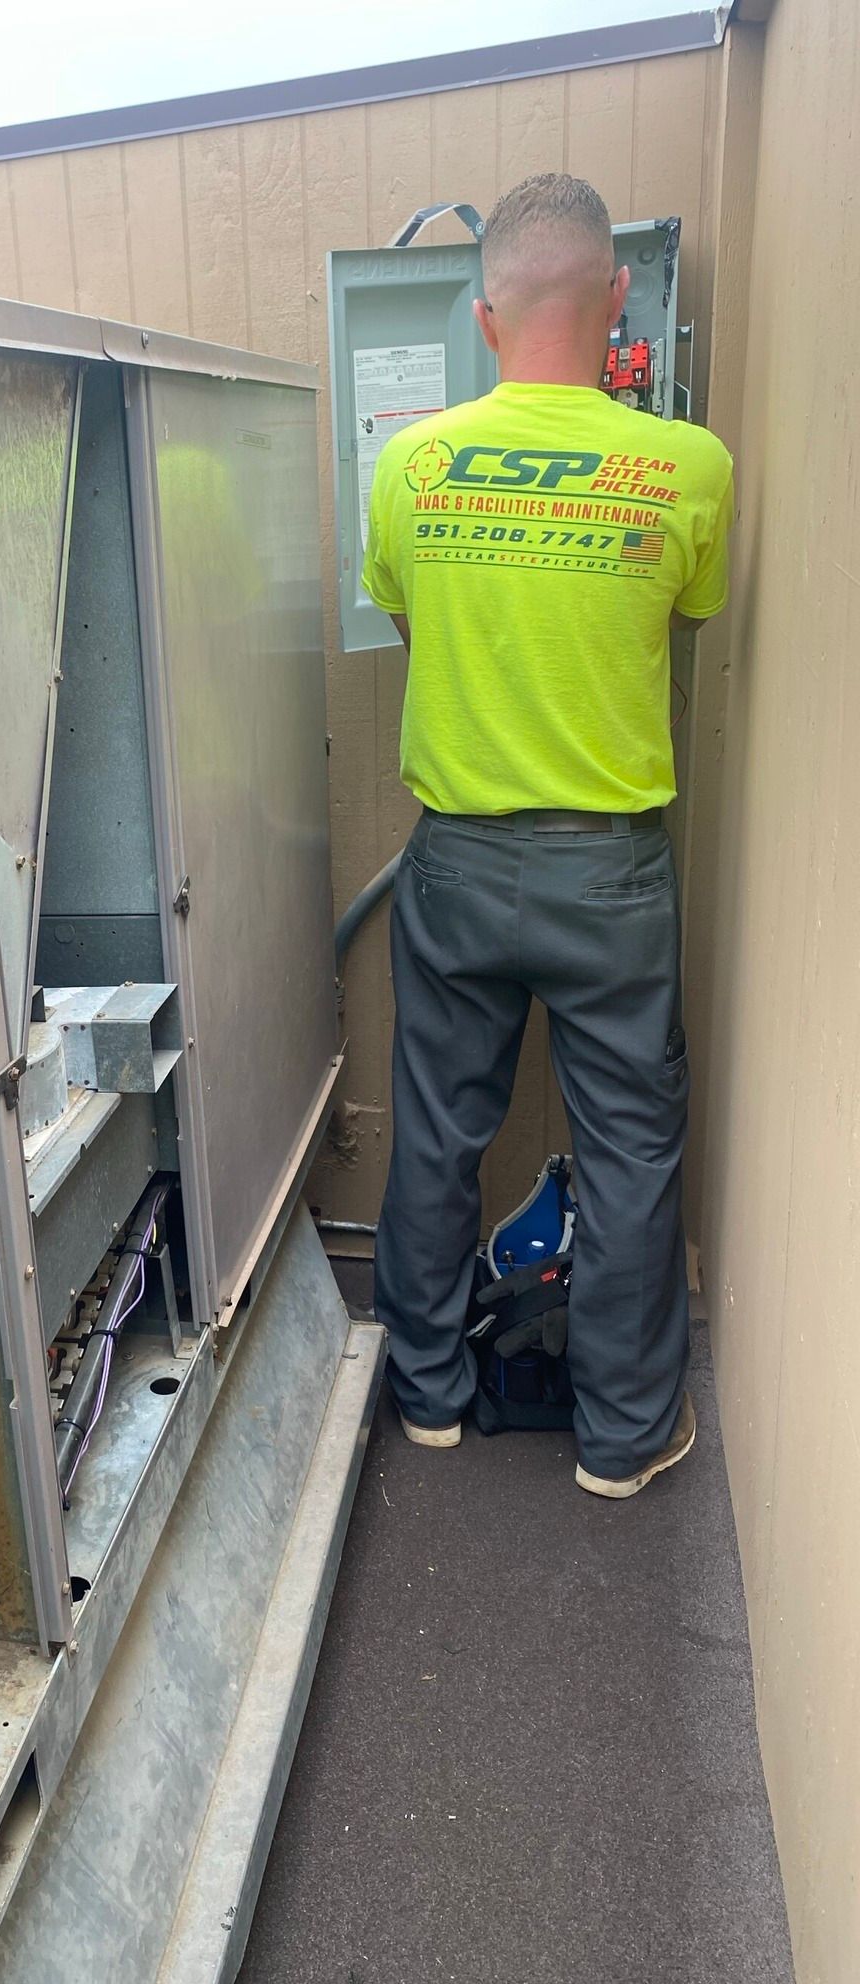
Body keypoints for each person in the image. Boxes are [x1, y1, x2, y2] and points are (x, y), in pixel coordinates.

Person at [361, 172, 733, 1500]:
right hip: (610, 869)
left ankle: (432, 1402)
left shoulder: (412, 464)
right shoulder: (690, 466)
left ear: (484, 315)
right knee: (631, 1144)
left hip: (458, 856)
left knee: (438, 1132)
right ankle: (625, 1443)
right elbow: (681, 618)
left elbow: (413, 630)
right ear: (618, 296)